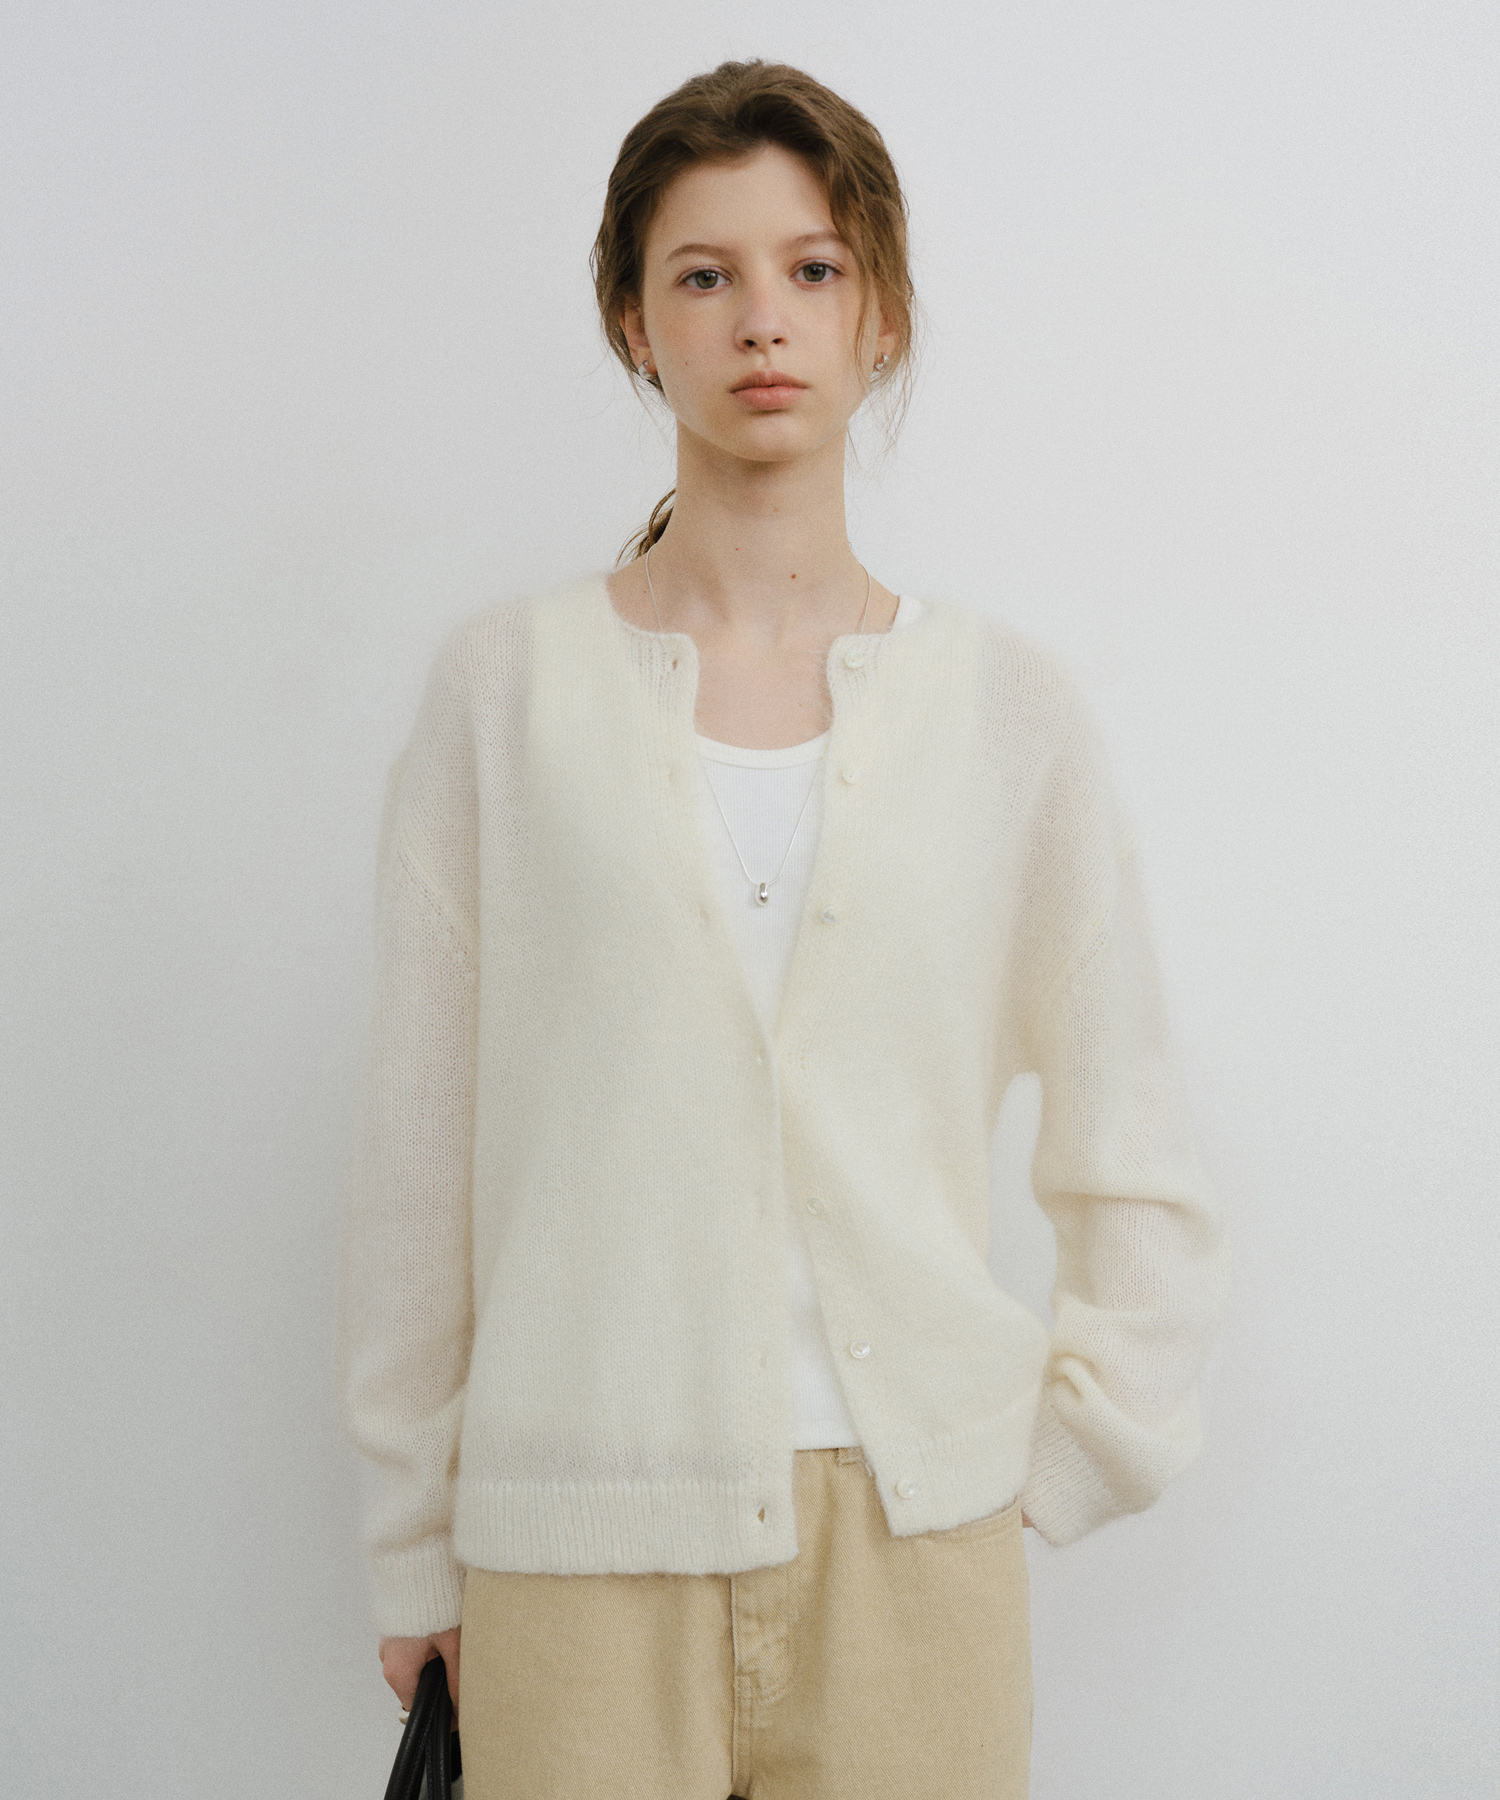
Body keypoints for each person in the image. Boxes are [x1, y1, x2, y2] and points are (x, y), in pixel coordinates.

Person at [336, 58, 1230, 1800]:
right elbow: (414, 1167)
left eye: (814, 269)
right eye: (705, 274)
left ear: (879, 315)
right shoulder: (503, 695)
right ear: (633, 322)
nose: (764, 318)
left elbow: (1138, 1148)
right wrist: (410, 1545)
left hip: (917, 1548)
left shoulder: (1009, 712)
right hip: (575, 1546)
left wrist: (1061, 1457)